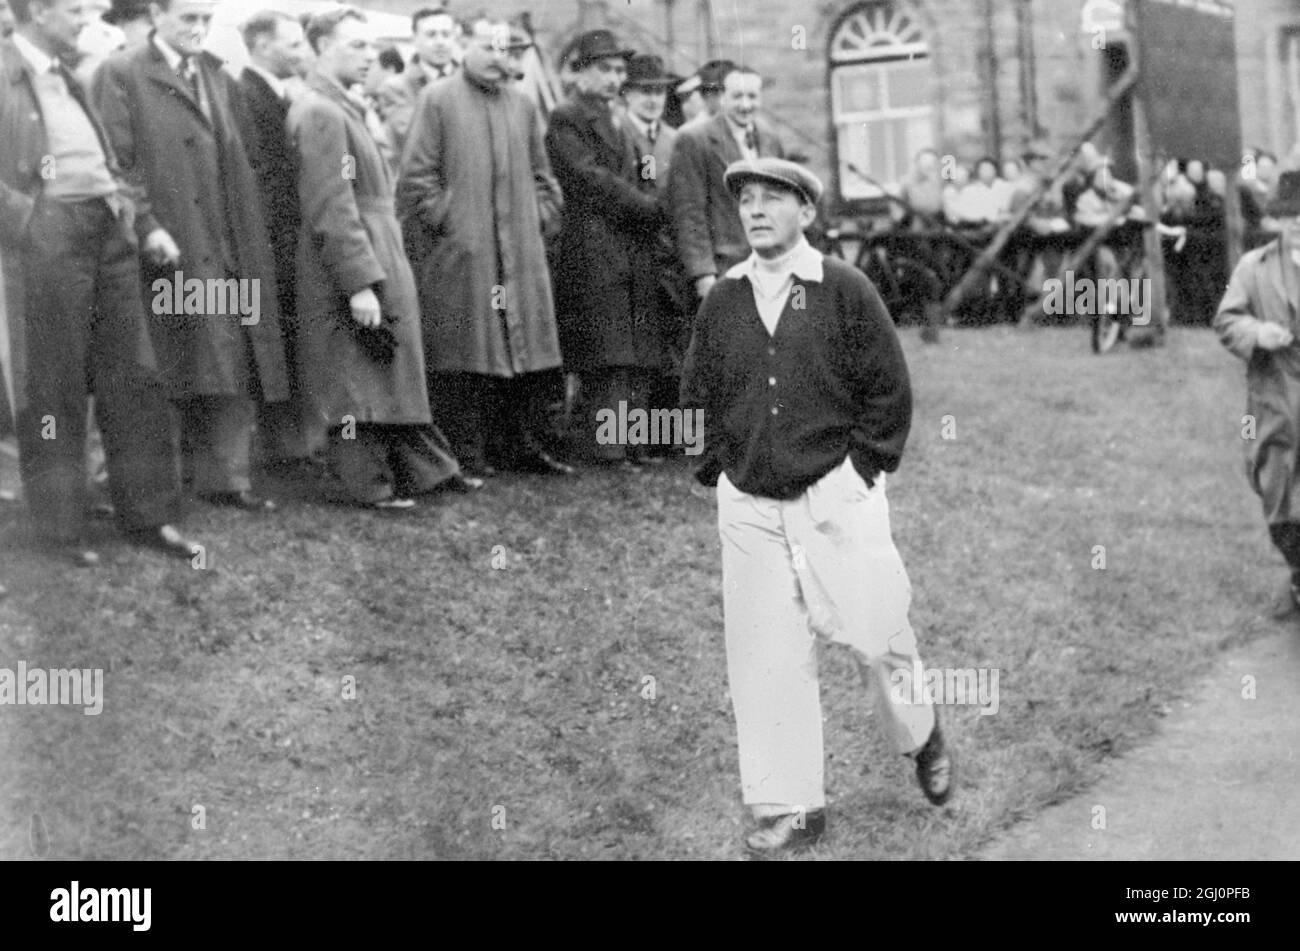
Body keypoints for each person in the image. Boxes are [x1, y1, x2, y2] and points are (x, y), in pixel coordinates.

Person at [680, 157, 951, 855]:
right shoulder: (725, 299)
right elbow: (697, 391)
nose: (757, 210)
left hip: (836, 493)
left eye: (775, 198)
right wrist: (719, 469)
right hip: (751, 508)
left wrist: (860, 468)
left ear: (807, 210)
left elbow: (889, 391)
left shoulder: (844, 290)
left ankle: (920, 733)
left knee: (875, 633)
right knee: (766, 653)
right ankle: (791, 805)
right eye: (746, 200)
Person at [1, 0, 200, 565]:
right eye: (75, 8)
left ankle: (150, 518)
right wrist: (28, 220)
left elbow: (103, 153)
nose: (87, 17)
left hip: (107, 228)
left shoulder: (70, 73)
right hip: (50, 234)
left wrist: (119, 203)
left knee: (134, 375)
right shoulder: (4, 71)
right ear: (38, 11)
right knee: (54, 383)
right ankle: (61, 529)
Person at [92, 0, 288, 513]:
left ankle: (225, 478)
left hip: (220, 241)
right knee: (161, 359)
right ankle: (152, 486)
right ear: (156, 15)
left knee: (225, 353)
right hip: (163, 244)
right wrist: (147, 223)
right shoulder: (121, 72)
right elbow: (114, 160)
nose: (198, 29)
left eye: (205, 19)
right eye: (187, 19)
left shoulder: (216, 75)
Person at [291, 6, 474, 509]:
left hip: (377, 245)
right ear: (322, 49)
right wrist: (358, 283)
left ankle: (424, 470)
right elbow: (331, 204)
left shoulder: (341, 106)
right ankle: (368, 484)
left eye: (370, 46)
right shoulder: (320, 112)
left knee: (387, 367)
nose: (369, 56)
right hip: (354, 254)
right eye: (356, 46)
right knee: (356, 378)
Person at [397, 19, 571, 479]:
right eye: (489, 48)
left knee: (522, 349)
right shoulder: (438, 99)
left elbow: (542, 174)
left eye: (509, 51)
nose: (500, 59)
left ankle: (518, 445)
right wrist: (454, 226)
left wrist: (540, 217)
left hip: (520, 250)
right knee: (467, 350)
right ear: (464, 47)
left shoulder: (523, 104)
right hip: (465, 253)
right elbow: (416, 180)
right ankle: (467, 453)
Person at [546, 30, 675, 468]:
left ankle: (633, 443)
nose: (614, 77)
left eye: (620, 70)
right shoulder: (567, 118)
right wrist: (647, 206)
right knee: (609, 352)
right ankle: (606, 447)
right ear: (580, 71)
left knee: (637, 348)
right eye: (604, 68)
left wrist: (651, 200)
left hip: (629, 243)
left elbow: (640, 171)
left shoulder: (616, 117)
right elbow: (589, 179)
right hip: (593, 244)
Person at [237, 10, 318, 474]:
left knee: (290, 337)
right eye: (292, 44)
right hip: (274, 237)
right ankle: (283, 446)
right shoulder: (248, 95)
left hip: (290, 234)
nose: (301, 52)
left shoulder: (282, 93)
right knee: (276, 339)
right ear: (263, 45)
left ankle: (295, 442)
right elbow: (262, 175)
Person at [668, 63, 786, 308]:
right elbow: (689, 213)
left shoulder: (770, 138)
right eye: (737, 96)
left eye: (752, 96)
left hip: (770, 265)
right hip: (724, 267)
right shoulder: (694, 140)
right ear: (722, 98)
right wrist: (703, 274)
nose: (745, 105)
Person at [377, 5, 459, 158]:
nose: (440, 42)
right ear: (415, 40)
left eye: (446, 34)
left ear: (454, 38)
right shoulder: (397, 87)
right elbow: (413, 140)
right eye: (431, 35)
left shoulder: (471, 82)